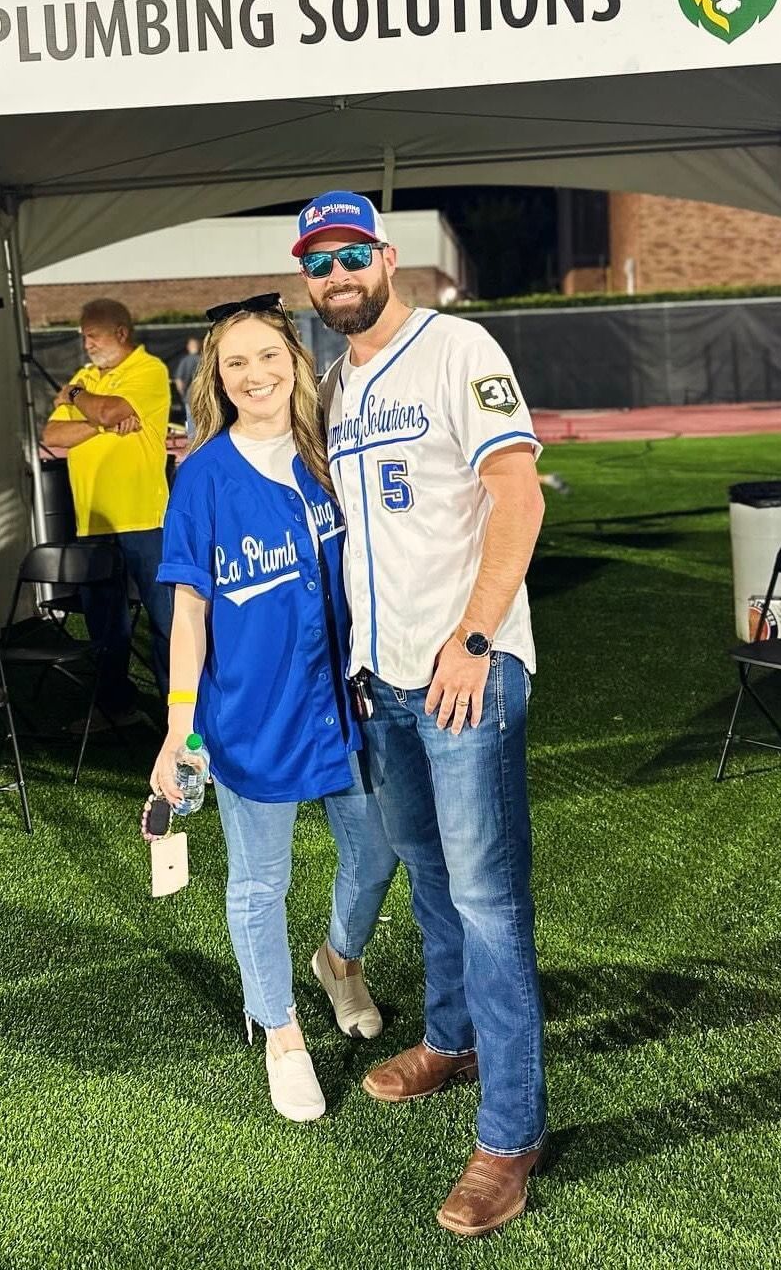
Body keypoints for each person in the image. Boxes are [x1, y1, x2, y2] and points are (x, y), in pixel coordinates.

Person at [293, 191, 548, 1237]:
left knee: (489, 903)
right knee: (431, 878)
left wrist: (475, 638)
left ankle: (510, 1137)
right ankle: (452, 1039)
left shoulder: (457, 348)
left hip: (463, 674)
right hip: (384, 680)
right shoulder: (333, 386)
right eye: (319, 263)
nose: (337, 276)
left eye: (351, 254)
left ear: (388, 257)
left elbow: (519, 495)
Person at [150, 294, 397, 1122]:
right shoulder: (204, 476)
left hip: (343, 702)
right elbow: (190, 610)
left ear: (295, 362)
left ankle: (339, 960)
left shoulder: (328, 449)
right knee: (261, 882)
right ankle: (281, 1032)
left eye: (268, 356)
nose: (255, 374)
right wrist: (179, 726)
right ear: (216, 380)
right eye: (236, 362)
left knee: (376, 853)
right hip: (250, 714)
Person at [42, 299, 172, 717]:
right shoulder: (86, 377)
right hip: (92, 522)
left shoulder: (149, 370)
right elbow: (52, 435)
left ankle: (178, 715)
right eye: (83, 337)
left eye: (93, 336)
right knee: (104, 627)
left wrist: (76, 397)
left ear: (120, 333)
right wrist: (99, 418)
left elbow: (114, 409)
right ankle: (115, 707)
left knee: (166, 621)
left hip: (144, 519)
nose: (87, 344)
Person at [172, 336, 203, 439]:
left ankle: (194, 444)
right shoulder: (205, 360)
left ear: (189, 347)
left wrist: (183, 394)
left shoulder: (185, 361)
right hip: (206, 396)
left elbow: (179, 381)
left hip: (191, 396)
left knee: (192, 424)